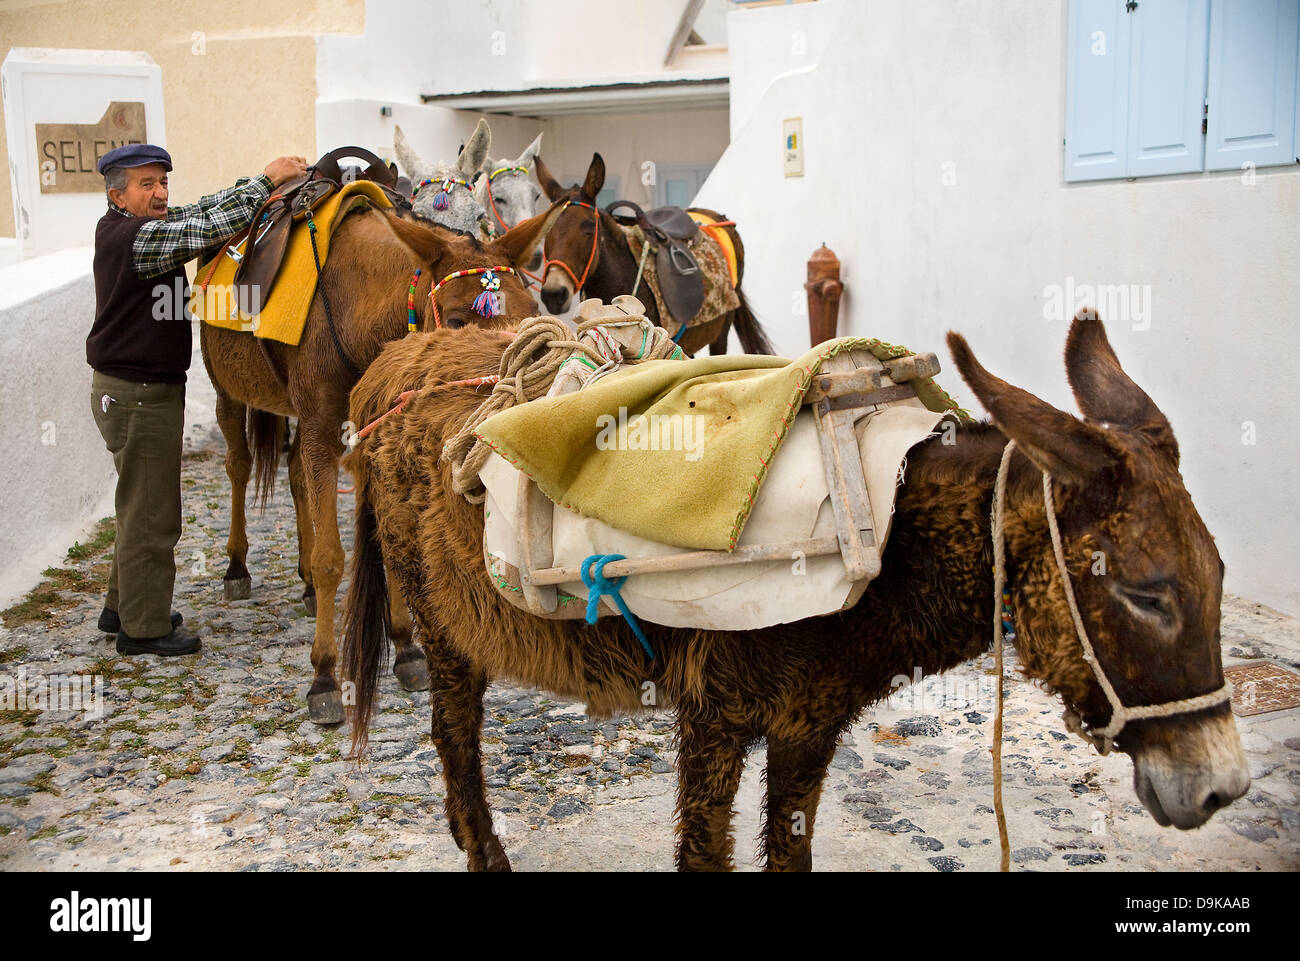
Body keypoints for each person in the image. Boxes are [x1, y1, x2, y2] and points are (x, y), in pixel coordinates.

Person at [88, 143, 307, 656]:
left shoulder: (125, 224)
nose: (161, 193)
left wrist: (252, 187)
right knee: (153, 513)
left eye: (163, 182)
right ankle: (143, 630)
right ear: (118, 193)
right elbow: (204, 230)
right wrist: (265, 178)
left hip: (128, 392)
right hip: (140, 397)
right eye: (148, 185)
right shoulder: (138, 238)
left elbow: (203, 210)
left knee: (135, 501)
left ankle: (121, 605)